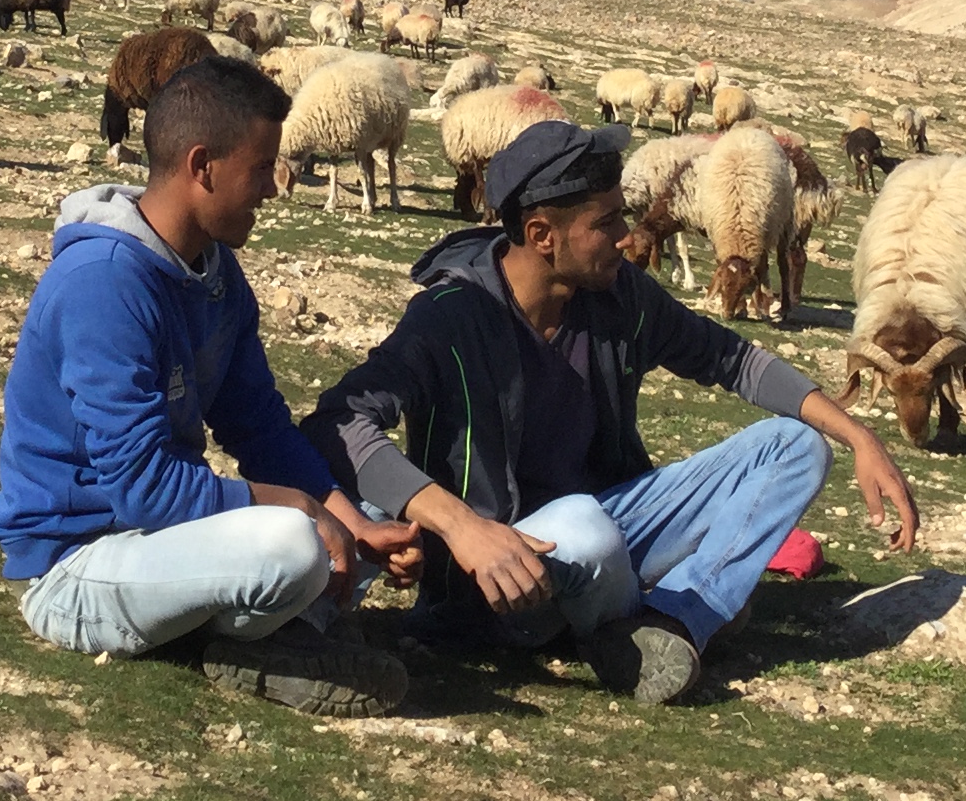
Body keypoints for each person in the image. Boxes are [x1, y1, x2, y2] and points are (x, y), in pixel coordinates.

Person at [306, 119, 919, 704]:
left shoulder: (620, 295)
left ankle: (675, 620)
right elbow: (339, 420)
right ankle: (642, 619)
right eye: (607, 222)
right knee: (583, 529)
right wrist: (460, 526)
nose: (626, 236)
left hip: (609, 526)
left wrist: (859, 436)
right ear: (543, 235)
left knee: (798, 445)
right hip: (494, 575)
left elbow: (733, 360)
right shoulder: (450, 318)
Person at [0, 56, 419, 715]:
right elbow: (142, 486)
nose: (274, 189)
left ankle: (276, 629)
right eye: (260, 168)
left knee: (361, 519)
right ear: (201, 166)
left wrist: (354, 524)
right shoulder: (103, 284)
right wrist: (306, 511)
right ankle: (269, 638)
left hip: (159, 543)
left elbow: (259, 425)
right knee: (292, 543)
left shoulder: (215, 272)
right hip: (76, 566)